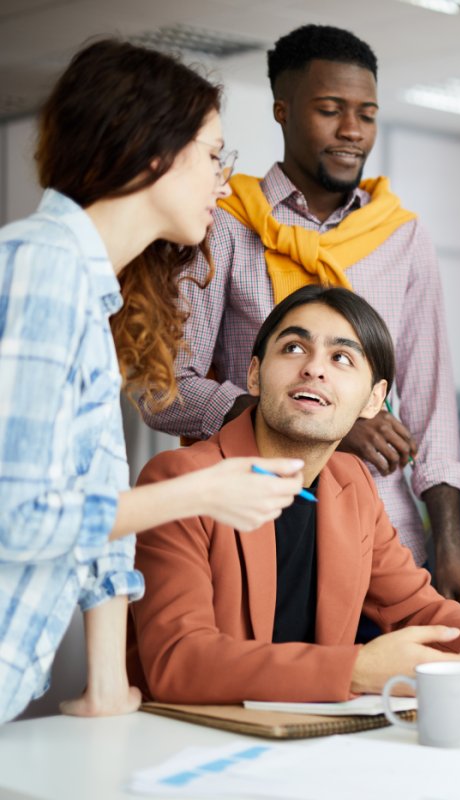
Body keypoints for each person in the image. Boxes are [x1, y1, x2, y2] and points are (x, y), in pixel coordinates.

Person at [138, 24, 460, 620]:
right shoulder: (222, 222)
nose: (352, 130)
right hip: (252, 523)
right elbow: (163, 388)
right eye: (330, 110)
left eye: (367, 113)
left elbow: (431, 407)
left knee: (394, 705)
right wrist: (324, 422)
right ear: (283, 110)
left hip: (388, 539)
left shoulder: (401, 236)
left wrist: (451, 548)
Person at [0, 40, 305, 723]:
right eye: (213, 155)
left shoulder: (91, 289)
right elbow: (17, 516)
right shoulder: (41, 267)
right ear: (151, 151)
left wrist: (107, 682)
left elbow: (99, 497)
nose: (225, 182)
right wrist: (201, 492)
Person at [128, 287, 460, 703]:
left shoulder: (350, 481)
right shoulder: (181, 479)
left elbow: (411, 604)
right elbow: (178, 660)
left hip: (313, 738)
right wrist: (357, 669)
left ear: (374, 401)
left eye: (341, 358)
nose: (314, 369)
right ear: (254, 375)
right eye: (294, 348)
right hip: (194, 744)